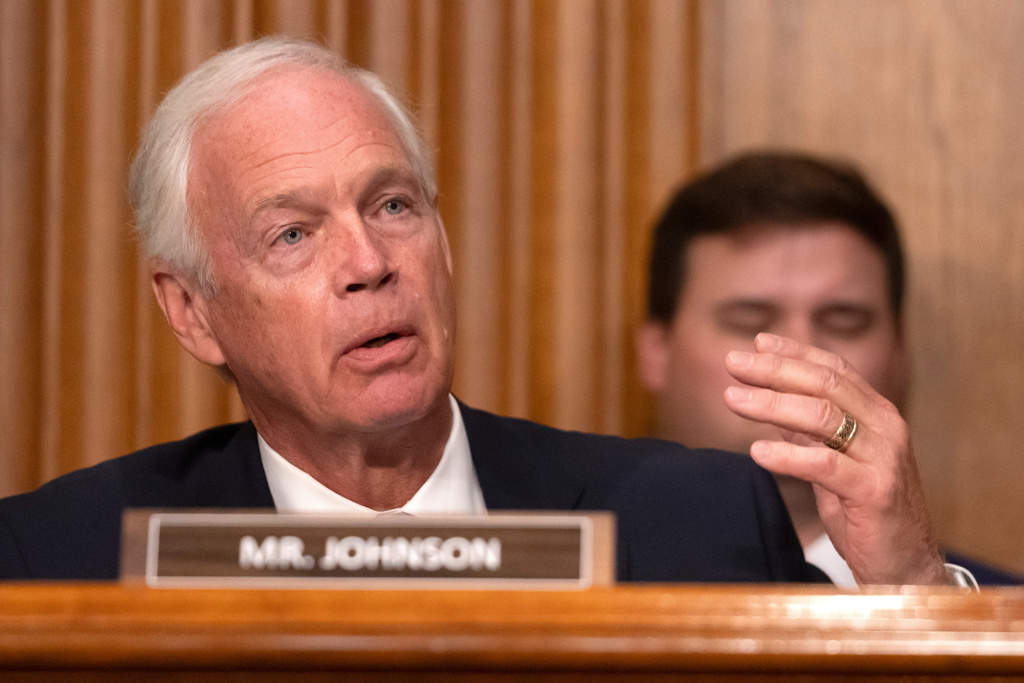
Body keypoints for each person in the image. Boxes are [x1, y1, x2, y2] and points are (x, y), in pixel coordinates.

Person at [0, 39, 948, 587]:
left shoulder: (693, 520)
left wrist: (909, 592)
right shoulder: (60, 555)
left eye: (392, 206)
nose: (368, 264)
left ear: (442, 245)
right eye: (293, 235)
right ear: (192, 311)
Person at [637, 151, 1021, 585]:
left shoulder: (1009, 624)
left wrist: (920, 590)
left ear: (899, 354)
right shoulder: (569, 601)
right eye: (748, 321)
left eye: (845, 321)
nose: (800, 351)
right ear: (656, 352)